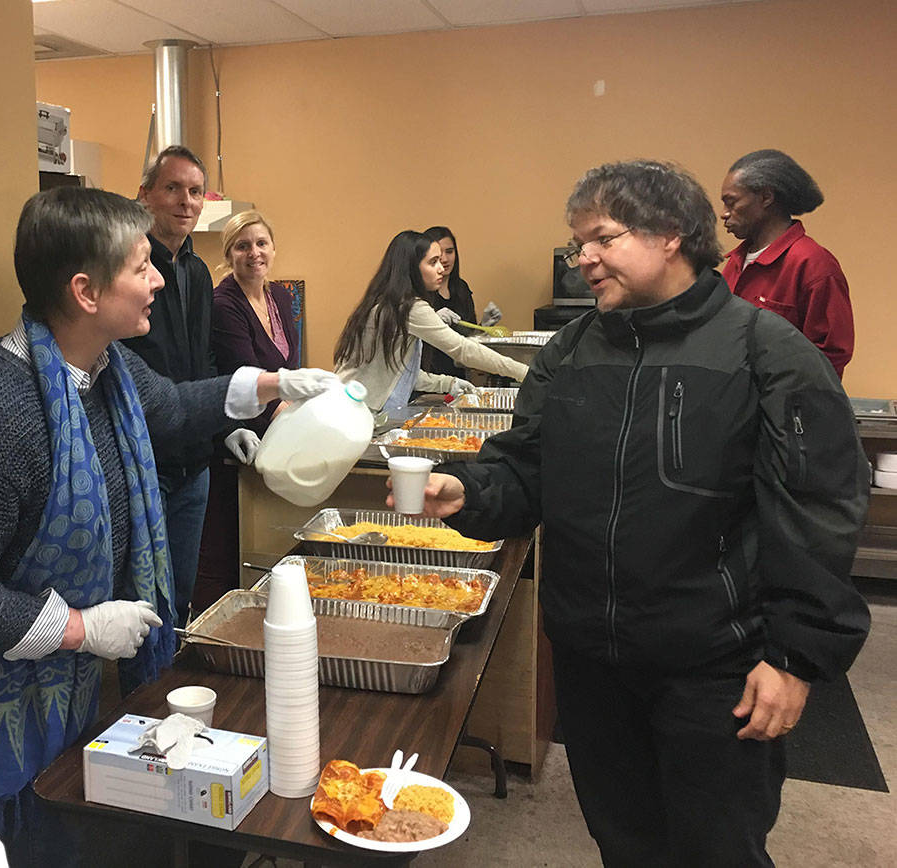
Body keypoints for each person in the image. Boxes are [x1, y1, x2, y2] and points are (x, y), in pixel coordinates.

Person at [396, 160, 870, 866]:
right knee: (625, 840)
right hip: (592, 661)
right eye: (578, 241)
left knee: (717, 849)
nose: (581, 257)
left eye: (603, 238)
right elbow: (528, 464)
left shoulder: (766, 352)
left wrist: (795, 658)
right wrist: (471, 492)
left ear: (671, 234)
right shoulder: (573, 351)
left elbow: (818, 511)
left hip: (715, 670)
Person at [0, 187, 338, 860]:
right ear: (87, 292)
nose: (157, 280)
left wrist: (272, 386)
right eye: (141, 266)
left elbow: (174, 405)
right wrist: (83, 628)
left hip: (47, 687)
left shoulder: (105, 368)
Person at [121, 145, 216, 627]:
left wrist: (222, 429)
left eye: (195, 191)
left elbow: (204, 362)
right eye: (172, 188)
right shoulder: (128, 271)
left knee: (180, 593)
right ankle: (144, 696)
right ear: (145, 196)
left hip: (193, 462)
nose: (185, 201)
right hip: (145, 460)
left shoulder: (198, 273)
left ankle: (172, 690)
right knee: (144, 599)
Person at [198, 209, 301, 612]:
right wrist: (290, 413)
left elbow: (288, 367)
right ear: (230, 255)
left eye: (261, 243)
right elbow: (246, 376)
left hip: (276, 427)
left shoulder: (280, 296)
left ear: (273, 248)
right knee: (224, 546)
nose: (254, 253)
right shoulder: (225, 304)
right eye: (243, 246)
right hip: (238, 436)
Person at [334, 230, 528, 414]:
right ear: (411, 268)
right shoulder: (409, 307)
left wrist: (447, 383)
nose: (441, 268)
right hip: (357, 410)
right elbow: (462, 349)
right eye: (433, 262)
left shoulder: (388, 301)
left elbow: (399, 374)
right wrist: (524, 372)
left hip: (354, 406)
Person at [720, 148, 854, 378]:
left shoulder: (814, 265)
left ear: (766, 197)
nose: (724, 214)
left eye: (731, 203)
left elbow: (829, 359)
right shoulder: (734, 263)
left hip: (782, 410)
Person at [419, 225, 478, 376]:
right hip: (427, 375)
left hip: (457, 373)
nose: (444, 260)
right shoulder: (418, 293)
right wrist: (433, 320)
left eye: (449, 252)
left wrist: (483, 329)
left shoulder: (461, 288)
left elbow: (468, 336)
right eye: (438, 255)